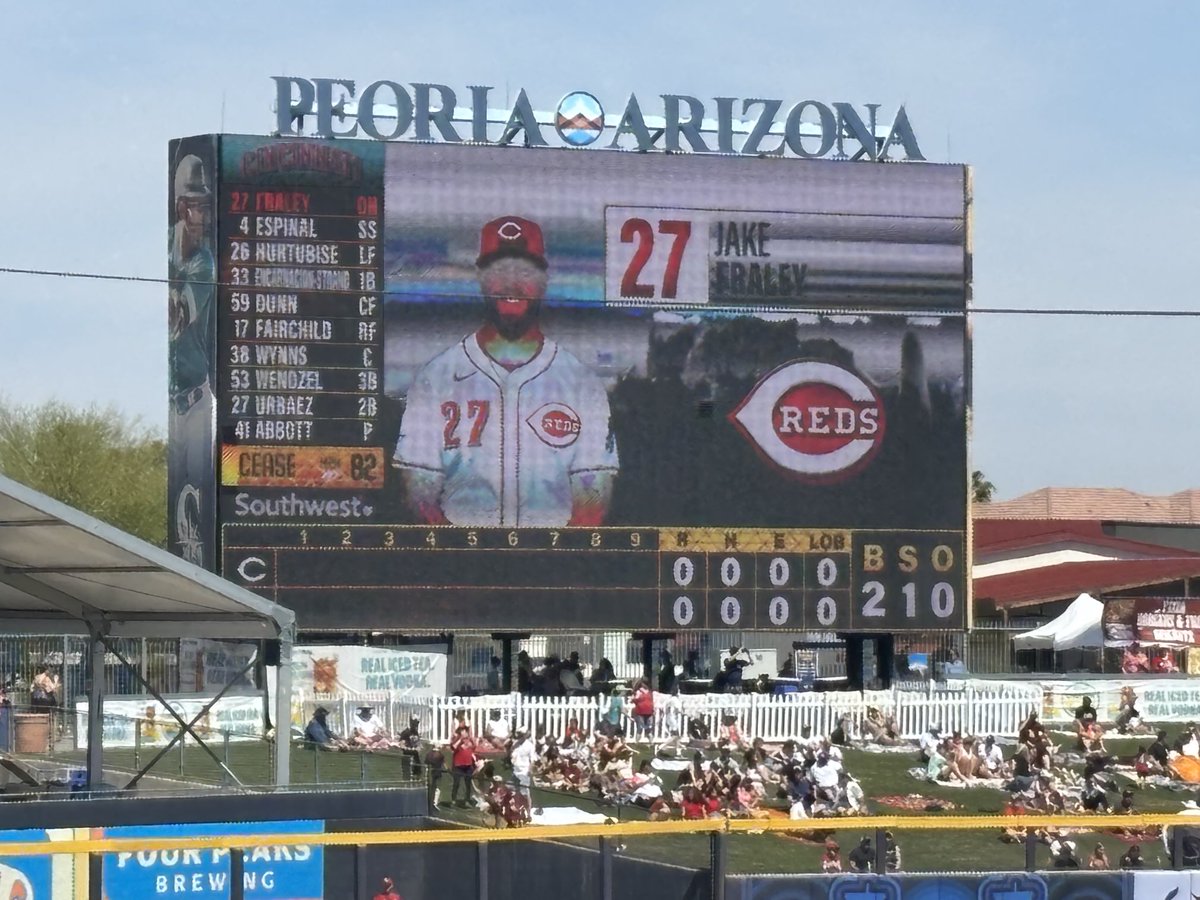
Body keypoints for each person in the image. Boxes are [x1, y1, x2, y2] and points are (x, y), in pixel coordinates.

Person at [392, 215, 619, 527]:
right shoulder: (436, 378)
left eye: (524, 271)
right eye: (499, 270)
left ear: (544, 281)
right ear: (481, 278)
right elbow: (418, 495)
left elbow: (592, 499)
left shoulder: (582, 384)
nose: (512, 282)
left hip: (552, 564)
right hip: (460, 565)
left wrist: (558, 565)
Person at [167, 149, 216, 567]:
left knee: (196, 497)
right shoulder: (169, 246)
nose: (203, 216)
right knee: (177, 502)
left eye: (207, 207)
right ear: (182, 206)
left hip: (198, 400)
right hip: (172, 399)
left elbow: (176, 316)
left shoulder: (204, 262)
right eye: (197, 206)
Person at [449, 725, 478, 808]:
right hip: (458, 765)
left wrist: (471, 740)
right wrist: (460, 739)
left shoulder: (469, 740)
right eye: (462, 731)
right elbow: (453, 747)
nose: (464, 733)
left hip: (468, 765)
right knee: (456, 783)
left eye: (465, 731)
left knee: (468, 784)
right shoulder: (456, 739)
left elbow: (474, 746)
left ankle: (467, 800)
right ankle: (453, 800)